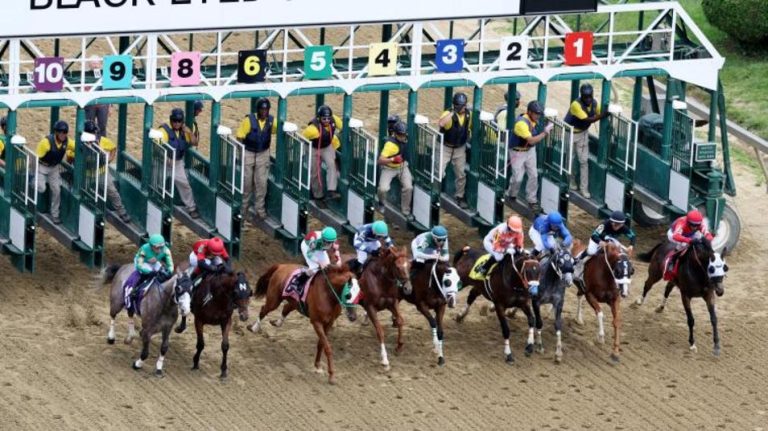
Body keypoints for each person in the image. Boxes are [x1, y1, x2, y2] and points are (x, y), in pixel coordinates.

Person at [505, 101, 552, 211]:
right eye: (536, 114)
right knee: (518, 177)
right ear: (529, 112)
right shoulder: (521, 123)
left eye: (539, 114)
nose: (538, 116)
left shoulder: (534, 119)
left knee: (534, 175)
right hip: (517, 151)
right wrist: (545, 132)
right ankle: (511, 195)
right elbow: (531, 140)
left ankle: (532, 200)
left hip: (530, 151)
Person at [564, 83, 609, 199]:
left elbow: (599, 112)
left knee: (584, 161)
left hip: (583, 133)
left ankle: (584, 188)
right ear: (582, 96)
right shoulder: (575, 104)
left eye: (590, 96)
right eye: (586, 96)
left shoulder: (594, 103)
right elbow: (589, 119)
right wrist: (604, 114)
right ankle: (571, 181)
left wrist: (606, 111)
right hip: (571, 133)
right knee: (570, 159)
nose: (588, 99)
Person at [236, 97, 278, 220]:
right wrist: (241, 154)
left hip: (263, 153)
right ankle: (243, 211)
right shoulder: (248, 121)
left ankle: (259, 209)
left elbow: (279, 128)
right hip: (248, 152)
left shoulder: (271, 121)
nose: (264, 112)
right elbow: (239, 136)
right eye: (262, 109)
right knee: (247, 184)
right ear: (258, 110)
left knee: (261, 183)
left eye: (266, 109)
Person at [83, 120, 131, 223]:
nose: (93, 135)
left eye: (94, 133)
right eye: (91, 133)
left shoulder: (101, 141)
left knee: (112, 192)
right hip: (86, 174)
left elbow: (113, 147)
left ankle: (122, 212)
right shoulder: (79, 143)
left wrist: (109, 160)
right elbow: (70, 155)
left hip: (101, 172)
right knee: (82, 193)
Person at [159, 108, 199, 218]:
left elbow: (195, 143)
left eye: (179, 121)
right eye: (175, 121)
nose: (177, 123)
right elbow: (157, 148)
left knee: (185, 185)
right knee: (156, 185)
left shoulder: (185, 131)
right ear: (171, 120)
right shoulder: (164, 131)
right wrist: (166, 159)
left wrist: (190, 133)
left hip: (177, 163)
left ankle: (192, 208)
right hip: (162, 162)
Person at [574, 210, 636, 279]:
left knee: (622, 253)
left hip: (611, 240)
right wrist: (600, 242)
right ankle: (579, 258)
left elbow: (633, 236)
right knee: (591, 252)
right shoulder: (604, 225)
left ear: (622, 224)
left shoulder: (624, 228)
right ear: (611, 222)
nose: (617, 227)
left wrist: (631, 245)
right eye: (615, 224)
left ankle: (624, 268)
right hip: (597, 239)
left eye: (619, 225)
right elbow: (594, 235)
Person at [36, 120, 76, 224]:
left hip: (54, 168)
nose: (63, 134)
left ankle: (55, 215)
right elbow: (35, 158)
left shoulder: (68, 142)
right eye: (61, 132)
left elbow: (77, 147)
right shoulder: (45, 143)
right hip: (41, 166)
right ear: (56, 132)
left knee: (56, 191)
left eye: (65, 132)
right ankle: (33, 182)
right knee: (41, 188)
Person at [437, 92, 471, 209]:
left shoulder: (468, 114)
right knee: (439, 172)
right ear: (456, 105)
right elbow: (441, 123)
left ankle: (459, 197)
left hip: (459, 148)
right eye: (462, 105)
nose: (464, 107)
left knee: (461, 174)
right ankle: (434, 195)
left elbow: (469, 128)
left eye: (465, 105)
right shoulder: (448, 114)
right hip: (445, 147)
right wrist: (453, 112)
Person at [302, 105, 342, 201]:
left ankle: (331, 191)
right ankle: (317, 195)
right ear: (319, 118)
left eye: (328, 118)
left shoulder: (334, 120)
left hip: (327, 146)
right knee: (315, 171)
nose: (327, 120)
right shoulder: (312, 129)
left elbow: (343, 127)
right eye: (324, 118)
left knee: (331, 164)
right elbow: (303, 137)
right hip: (313, 147)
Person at [124, 234, 174, 311]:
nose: (159, 250)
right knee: (145, 275)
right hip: (143, 262)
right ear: (151, 246)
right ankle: (134, 290)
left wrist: (169, 272)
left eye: (161, 247)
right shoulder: (144, 249)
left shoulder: (166, 250)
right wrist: (148, 272)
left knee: (163, 274)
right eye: (157, 248)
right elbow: (139, 266)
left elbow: (170, 265)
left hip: (155, 262)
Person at [663, 209, 714, 280]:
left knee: (700, 240)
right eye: (692, 225)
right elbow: (676, 236)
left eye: (697, 225)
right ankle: (672, 260)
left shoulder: (700, 223)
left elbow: (707, 234)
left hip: (689, 234)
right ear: (688, 222)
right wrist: (689, 241)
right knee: (684, 244)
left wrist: (708, 240)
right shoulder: (682, 223)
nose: (695, 227)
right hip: (673, 234)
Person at [377, 121, 413, 218]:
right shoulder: (390, 145)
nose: (403, 137)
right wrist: (392, 159)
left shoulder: (407, 138)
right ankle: (381, 203)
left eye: (404, 134)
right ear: (395, 133)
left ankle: (405, 211)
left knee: (409, 187)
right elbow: (380, 160)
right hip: (389, 168)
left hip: (402, 166)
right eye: (400, 135)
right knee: (383, 189)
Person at [85, 57, 110, 138]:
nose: (95, 66)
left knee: (102, 126)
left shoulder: (105, 75)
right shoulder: (86, 75)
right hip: (90, 104)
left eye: (97, 64)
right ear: (89, 65)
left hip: (102, 105)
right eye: (93, 63)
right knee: (89, 127)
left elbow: (108, 90)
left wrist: (110, 106)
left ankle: (102, 144)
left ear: (100, 65)